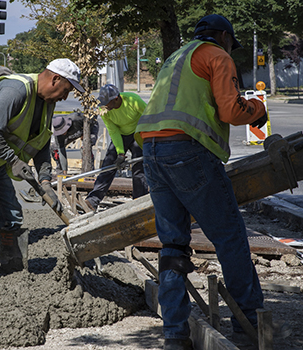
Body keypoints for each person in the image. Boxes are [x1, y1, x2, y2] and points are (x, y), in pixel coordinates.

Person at [135, 14, 268, 350]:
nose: (230, 49)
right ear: (223, 36)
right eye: (231, 43)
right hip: (187, 150)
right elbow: (231, 111)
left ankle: (175, 335)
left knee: (173, 246)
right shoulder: (216, 56)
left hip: (151, 150)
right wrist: (257, 109)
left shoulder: (175, 56)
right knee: (230, 236)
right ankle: (251, 324)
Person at [0, 58, 84, 280]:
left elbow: (41, 143)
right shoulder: (17, 89)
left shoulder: (48, 103)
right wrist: (13, 161)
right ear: (55, 79)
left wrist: (44, 181)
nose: (65, 97)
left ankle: (13, 275)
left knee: (11, 216)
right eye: (67, 90)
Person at [84, 84, 148, 211]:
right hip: (121, 136)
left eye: (107, 102)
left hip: (138, 133)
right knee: (108, 165)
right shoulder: (105, 111)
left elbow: (149, 117)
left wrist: (149, 141)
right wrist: (120, 153)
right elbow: (113, 131)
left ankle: (139, 202)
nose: (104, 105)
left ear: (116, 99)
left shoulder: (133, 101)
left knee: (139, 169)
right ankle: (93, 201)